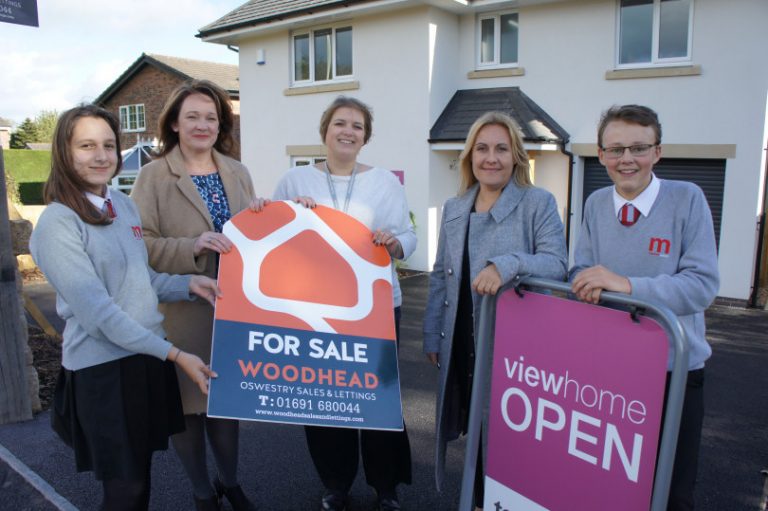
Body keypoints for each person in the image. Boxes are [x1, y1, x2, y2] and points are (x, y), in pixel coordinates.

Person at [30, 104, 220, 511]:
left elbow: (142, 281)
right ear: (65, 152)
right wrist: (177, 355)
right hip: (104, 372)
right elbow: (99, 315)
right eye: (86, 145)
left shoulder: (121, 205)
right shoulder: (57, 223)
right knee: (125, 489)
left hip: (144, 361)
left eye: (108, 145)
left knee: (140, 477)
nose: (100, 156)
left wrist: (191, 284)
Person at [570, 104, 719, 511]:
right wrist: (584, 284)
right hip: (611, 368)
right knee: (613, 480)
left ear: (657, 152)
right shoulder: (596, 203)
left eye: (638, 147)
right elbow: (582, 269)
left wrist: (626, 285)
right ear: (600, 155)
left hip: (674, 370)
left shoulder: (687, 199)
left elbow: (702, 286)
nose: (626, 159)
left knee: (670, 491)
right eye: (615, 149)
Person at [272, 96, 416, 511]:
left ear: (365, 136)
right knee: (324, 398)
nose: (348, 131)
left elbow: (408, 236)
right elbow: (275, 231)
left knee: (377, 395)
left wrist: (396, 243)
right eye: (340, 123)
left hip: (375, 306)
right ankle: (335, 482)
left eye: (356, 125)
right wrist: (279, 212)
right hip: (315, 308)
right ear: (325, 131)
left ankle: (385, 485)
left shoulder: (386, 182)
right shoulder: (295, 181)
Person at [422, 111, 568, 510]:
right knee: (474, 432)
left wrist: (508, 264)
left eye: (502, 149)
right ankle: (478, 500)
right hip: (462, 338)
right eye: (482, 148)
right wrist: (434, 332)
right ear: (469, 156)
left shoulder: (537, 203)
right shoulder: (454, 207)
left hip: (513, 348)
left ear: (517, 156)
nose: (492, 157)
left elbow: (558, 264)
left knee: (509, 440)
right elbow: (440, 275)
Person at [131, 80, 262, 511]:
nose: (203, 124)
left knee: (226, 403)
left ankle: (232, 481)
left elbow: (254, 232)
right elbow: (140, 245)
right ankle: (202, 491)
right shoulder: (152, 176)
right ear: (174, 122)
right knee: (188, 409)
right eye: (193, 116)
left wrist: (284, 214)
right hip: (182, 308)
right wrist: (193, 244)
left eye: (211, 116)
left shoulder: (237, 170)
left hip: (235, 306)